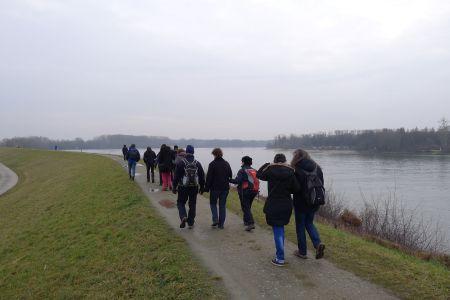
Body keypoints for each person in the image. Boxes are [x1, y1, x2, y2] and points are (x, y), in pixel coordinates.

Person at [257, 153, 300, 267]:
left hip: (273, 204)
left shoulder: (270, 171)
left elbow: (258, 174)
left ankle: (280, 258)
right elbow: (296, 189)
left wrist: (266, 165)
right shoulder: (291, 172)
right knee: (279, 228)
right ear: (285, 161)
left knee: (277, 229)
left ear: (274, 161)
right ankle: (280, 255)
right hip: (286, 204)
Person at [291, 148, 326, 259]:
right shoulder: (317, 168)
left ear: (296, 157)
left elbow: (295, 188)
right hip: (315, 201)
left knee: (300, 226)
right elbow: (321, 183)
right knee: (309, 223)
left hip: (300, 203)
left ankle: (302, 252)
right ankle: (317, 243)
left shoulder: (297, 169)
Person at [173, 145, 205, 229]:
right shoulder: (197, 163)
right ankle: (190, 222)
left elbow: (176, 176)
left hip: (183, 187)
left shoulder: (181, 162)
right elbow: (202, 176)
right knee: (192, 204)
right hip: (194, 187)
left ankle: (183, 216)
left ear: (186, 152)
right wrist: (202, 188)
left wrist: (174, 187)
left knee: (180, 203)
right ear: (193, 152)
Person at [205, 148, 232, 229]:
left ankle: (215, 219)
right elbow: (230, 174)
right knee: (222, 206)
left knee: (213, 204)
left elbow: (209, 178)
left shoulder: (212, 164)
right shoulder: (226, 163)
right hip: (225, 188)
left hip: (214, 188)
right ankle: (221, 224)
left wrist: (206, 188)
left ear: (214, 154)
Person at [230, 156, 259, 231]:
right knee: (248, 206)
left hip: (245, 191)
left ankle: (251, 223)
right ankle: (246, 221)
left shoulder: (242, 170)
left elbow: (237, 181)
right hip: (254, 191)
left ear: (243, 162)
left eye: (241, 161)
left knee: (245, 207)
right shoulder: (254, 170)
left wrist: (228, 179)